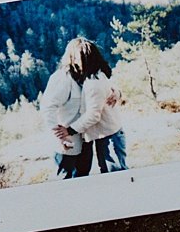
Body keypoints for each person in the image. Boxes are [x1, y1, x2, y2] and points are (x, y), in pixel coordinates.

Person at [34, 39, 95, 178]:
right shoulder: (62, 78)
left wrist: (116, 93)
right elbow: (47, 107)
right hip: (67, 144)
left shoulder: (87, 76)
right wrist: (59, 137)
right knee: (65, 183)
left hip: (86, 141)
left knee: (84, 180)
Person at [67, 40, 127, 173]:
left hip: (109, 136)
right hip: (107, 135)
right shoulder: (98, 75)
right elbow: (109, 89)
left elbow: (93, 115)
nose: (74, 62)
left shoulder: (93, 83)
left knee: (116, 177)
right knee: (111, 175)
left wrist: (70, 130)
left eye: (76, 58)